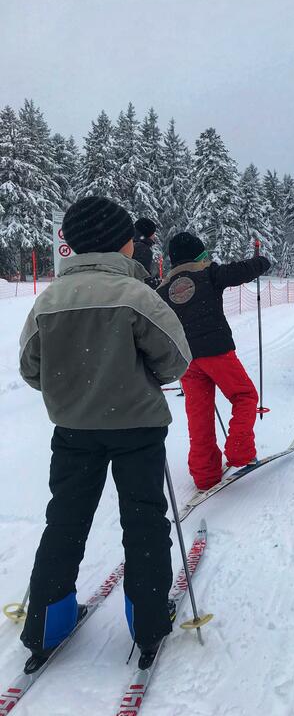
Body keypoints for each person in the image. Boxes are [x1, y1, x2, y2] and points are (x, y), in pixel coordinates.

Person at [18, 196, 191, 673]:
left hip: (74, 430)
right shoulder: (136, 295)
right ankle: (149, 622)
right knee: (143, 520)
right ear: (122, 242)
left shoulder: (48, 300)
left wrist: (73, 387)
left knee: (66, 521)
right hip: (136, 426)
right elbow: (176, 359)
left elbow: (31, 369)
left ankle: (48, 623)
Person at [157, 232, 270, 491]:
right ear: (198, 254)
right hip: (216, 352)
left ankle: (204, 473)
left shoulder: (164, 289)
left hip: (186, 359)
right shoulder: (209, 273)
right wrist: (261, 262)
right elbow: (241, 271)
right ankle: (240, 452)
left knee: (199, 415)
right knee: (245, 396)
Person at [133, 217, 161, 288]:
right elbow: (142, 278)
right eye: (154, 233)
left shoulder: (129, 245)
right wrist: (157, 283)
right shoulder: (143, 249)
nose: (154, 236)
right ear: (149, 233)